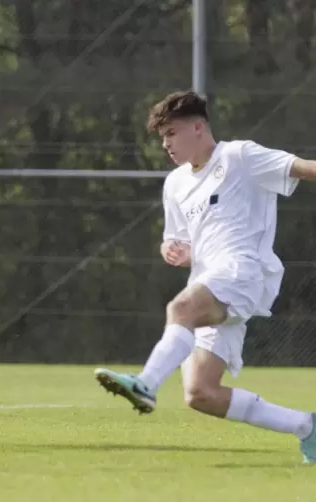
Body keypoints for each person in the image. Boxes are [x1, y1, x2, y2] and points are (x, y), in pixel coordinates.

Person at [94, 90, 316, 463]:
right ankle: (307, 427)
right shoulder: (175, 184)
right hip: (211, 279)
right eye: (162, 137)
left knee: (180, 308)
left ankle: (146, 385)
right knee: (200, 393)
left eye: (172, 134)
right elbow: (181, 241)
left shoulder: (239, 156)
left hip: (245, 271)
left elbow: (306, 168)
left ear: (198, 127)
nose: (166, 144)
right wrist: (176, 252)